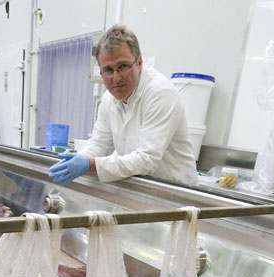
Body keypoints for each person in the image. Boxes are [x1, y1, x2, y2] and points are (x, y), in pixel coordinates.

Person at [48, 25, 198, 186]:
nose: (116, 78)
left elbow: (147, 159)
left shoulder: (160, 94)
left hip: (176, 193)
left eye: (123, 66)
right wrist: (82, 158)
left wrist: (90, 164)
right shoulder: (108, 99)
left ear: (139, 62)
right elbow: (99, 144)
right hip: (141, 188)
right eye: (108, 70)